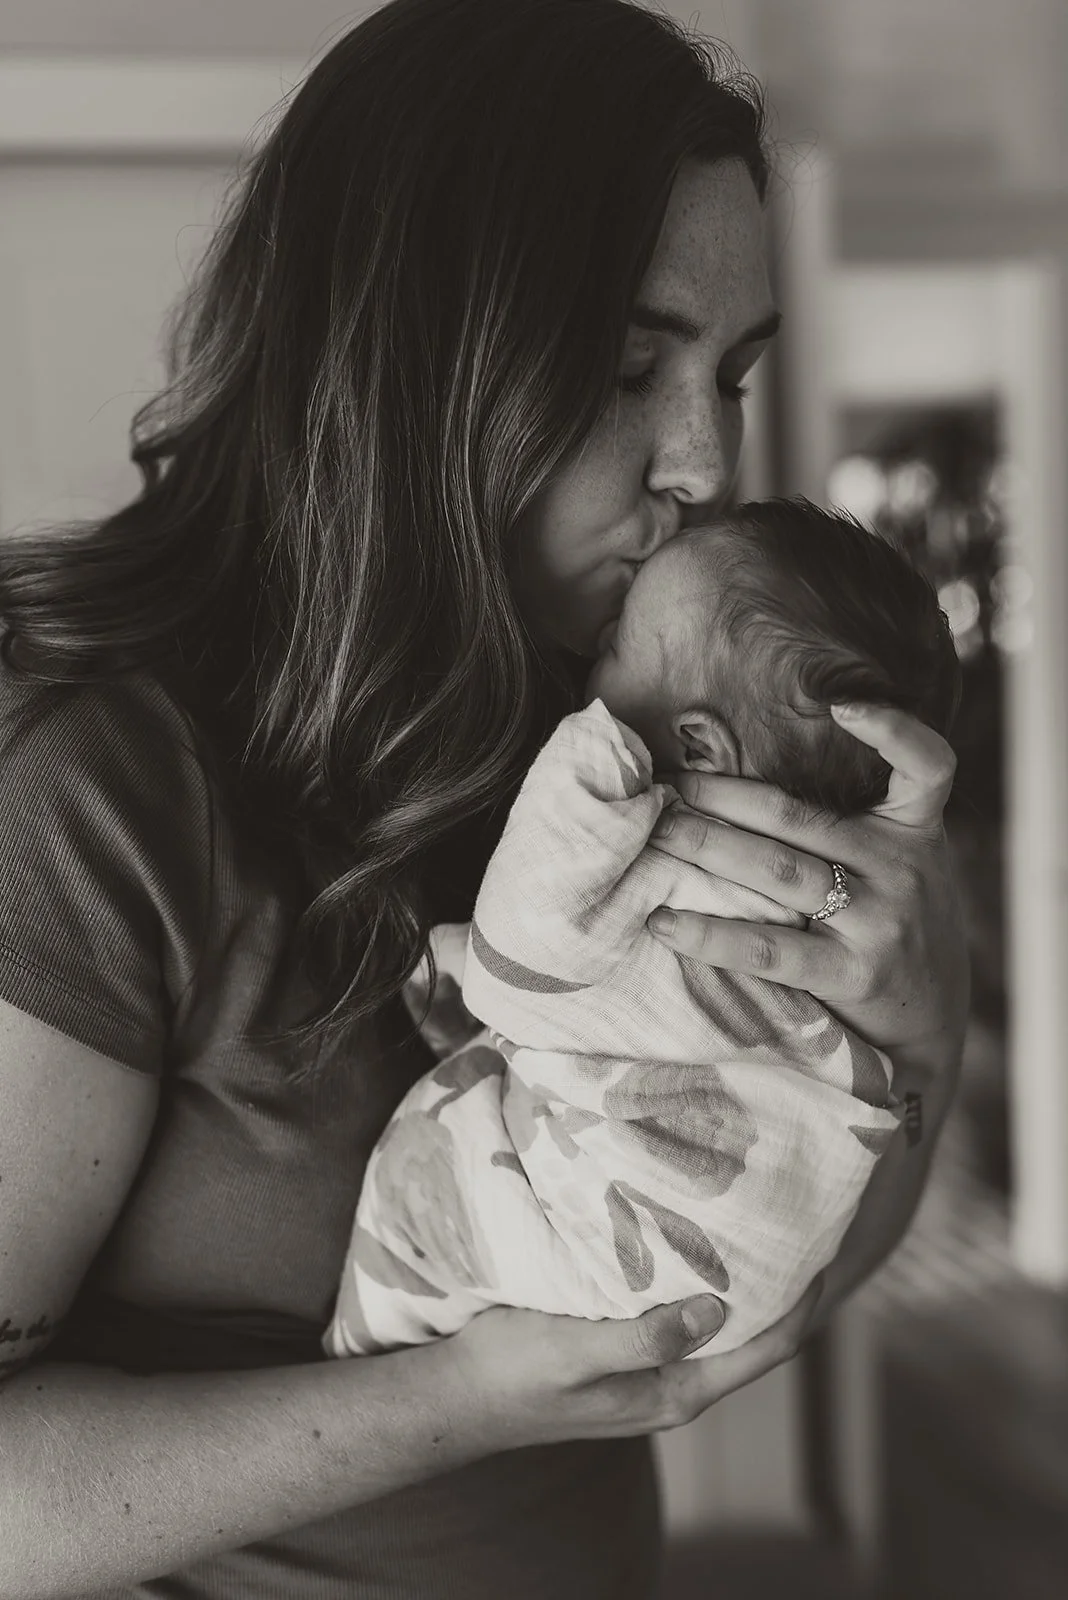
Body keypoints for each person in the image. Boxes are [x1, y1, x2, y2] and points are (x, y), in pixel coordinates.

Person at [0, 2, 967, 1597]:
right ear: (409, 353)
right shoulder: (86, 784)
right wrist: (449, 1405)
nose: (705, 462)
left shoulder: (618, 719)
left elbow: (749, 1277)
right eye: (627, 365)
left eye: (733, 375)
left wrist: (913, 1037)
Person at [328, 501, 961, 1359]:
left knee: (426, 1170)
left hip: (640, 1256)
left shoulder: (666, 863)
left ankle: (359, 1339)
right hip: (743, 1282)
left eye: (619, 640)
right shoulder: (807, 899)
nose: (597, 648)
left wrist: (585, 771)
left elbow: (517, 970)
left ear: (697, 746)